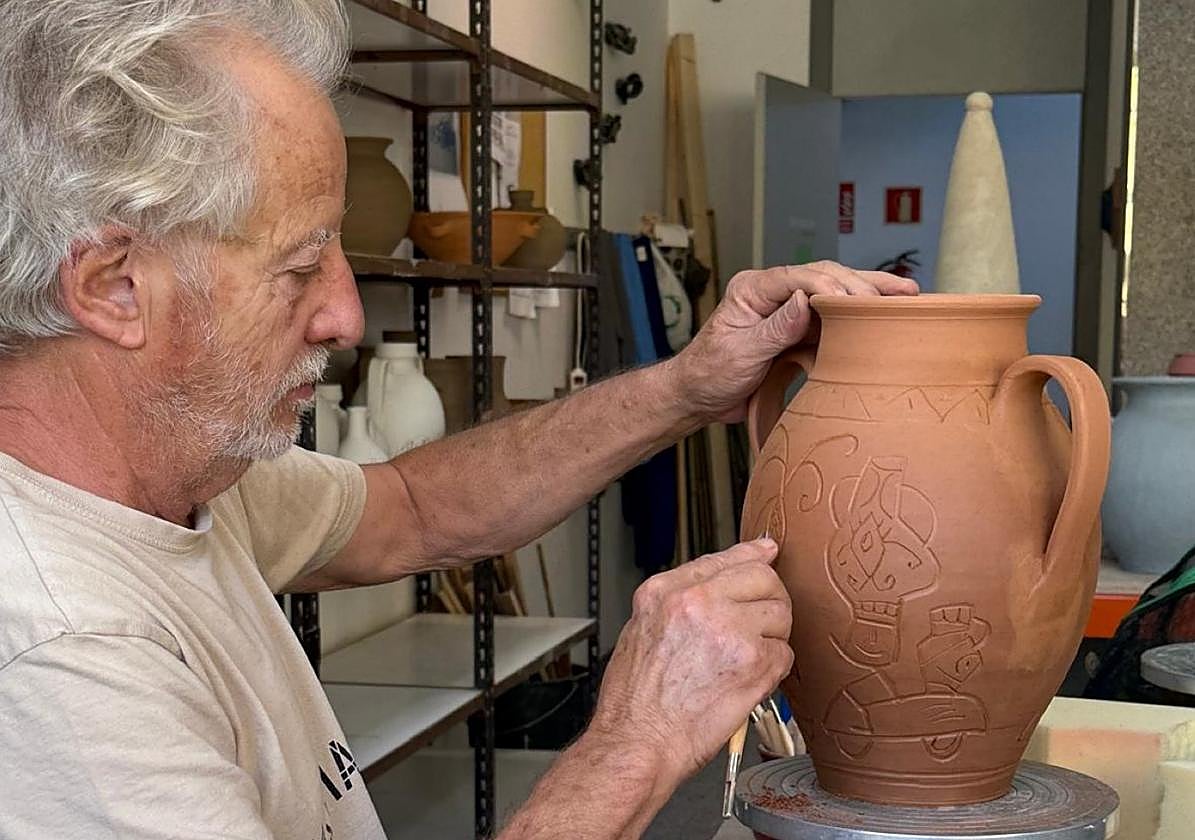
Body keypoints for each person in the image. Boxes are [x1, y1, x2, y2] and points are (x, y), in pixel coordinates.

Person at [0, 2, 917, 838]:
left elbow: (415, 506)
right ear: (113, 287)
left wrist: (689, 384)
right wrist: (636, 741)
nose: (345, 317)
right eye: (300, 264)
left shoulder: (178, 475)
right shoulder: (65, 657)